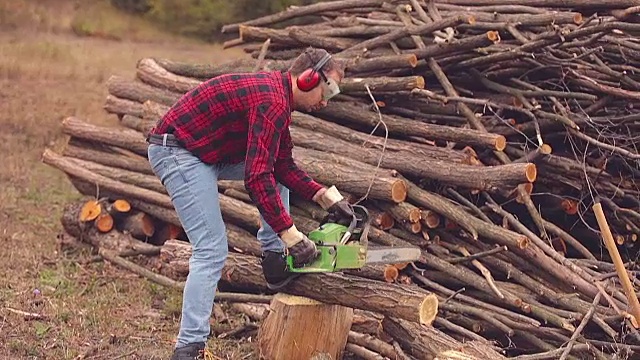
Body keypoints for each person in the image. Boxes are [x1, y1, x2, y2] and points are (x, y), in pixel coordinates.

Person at [146, 47, 354, 360]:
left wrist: (323, 196)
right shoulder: (272, 101)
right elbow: (256, 178)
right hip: (179, 151)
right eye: (328, 89)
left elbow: (281, 166)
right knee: (211, 250)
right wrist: (291, 234)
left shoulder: (279, 101)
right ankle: (188, 349)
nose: (326, 100)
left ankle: (273, 261)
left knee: (274, 171)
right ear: (309, 79)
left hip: (204, 151)